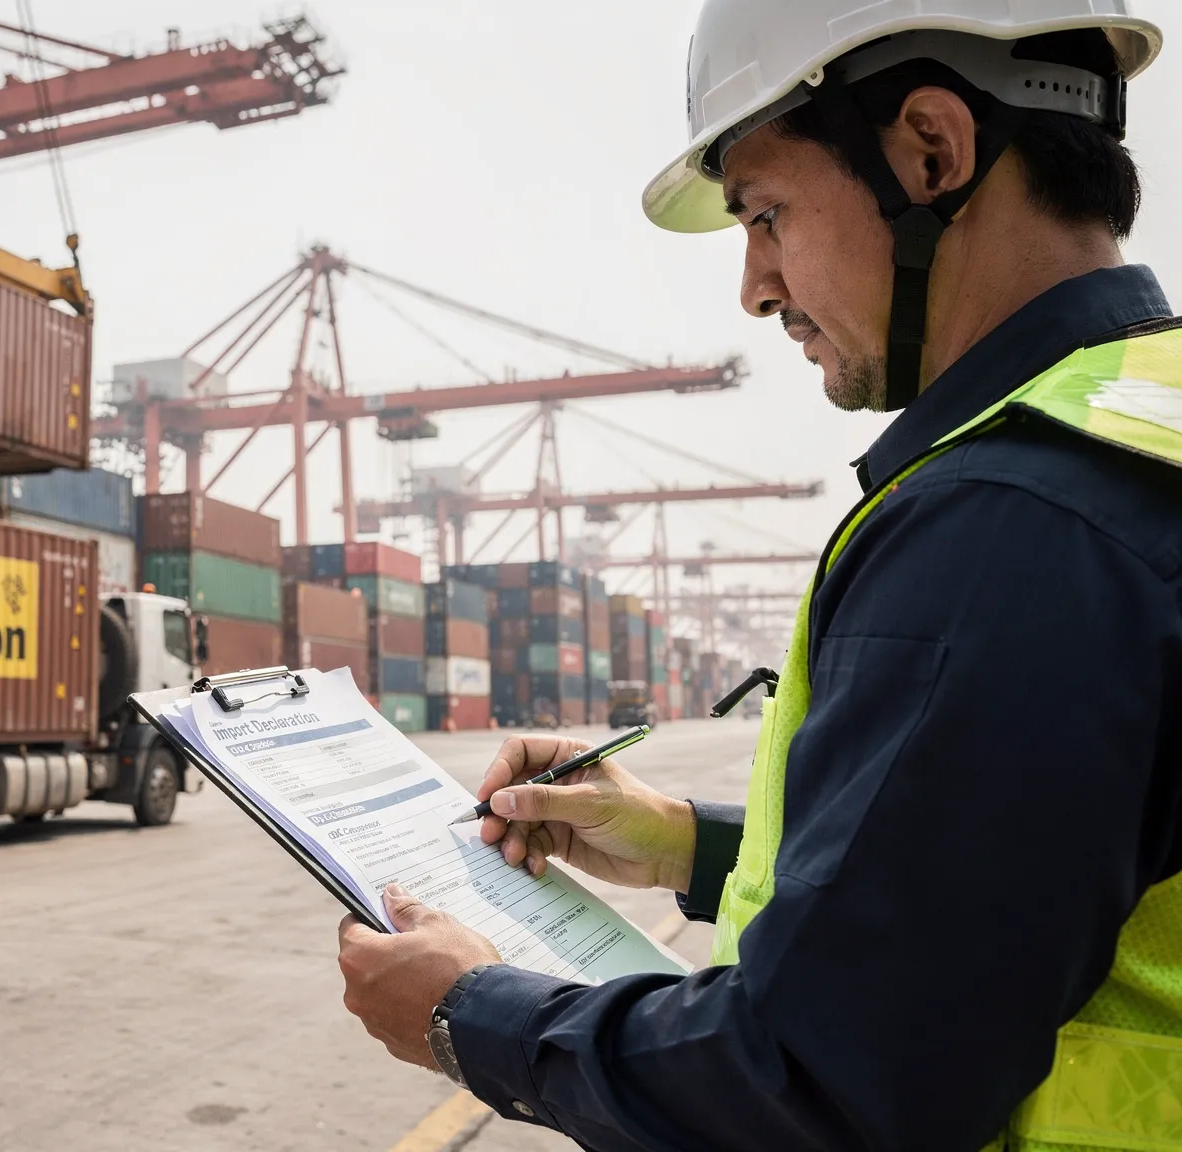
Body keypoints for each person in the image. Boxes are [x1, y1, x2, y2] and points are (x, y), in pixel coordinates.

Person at [336, 2, 1182, 1148]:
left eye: (765, 215)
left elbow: (819, 1081)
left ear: (930, 152)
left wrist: (467, 1015)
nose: (754, 287)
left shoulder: (1011, 520)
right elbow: (1016, 874)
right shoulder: (1139, 427)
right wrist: (682, 840)